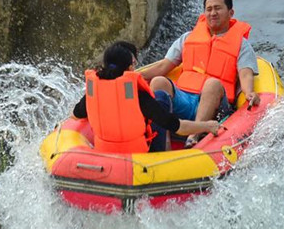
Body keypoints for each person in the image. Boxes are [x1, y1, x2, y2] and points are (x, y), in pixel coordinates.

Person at [140, 0, 259, 147]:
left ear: (230, 13)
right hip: (184, 99)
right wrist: (136, 76)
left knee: (212, 83)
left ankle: (193, 137)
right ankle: (161, 140)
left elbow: (245, 74)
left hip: (216, 106)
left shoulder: (241, 45)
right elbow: (163, 66)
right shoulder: (187, 38)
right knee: (158, 81)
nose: (213, 13)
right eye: (208, 9)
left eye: (218, 8)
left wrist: (249, 92)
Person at [72, 41, 220, 153]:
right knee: (161, 97)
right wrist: (207, 126)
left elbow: (75, 115)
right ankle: (167, 152)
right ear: (130, 68)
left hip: (104, 153)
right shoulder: (137, 95)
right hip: (139, 158)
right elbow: (177, 126)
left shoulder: (93, 92)